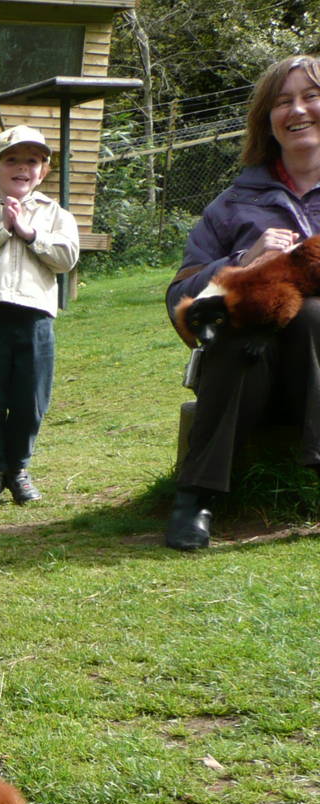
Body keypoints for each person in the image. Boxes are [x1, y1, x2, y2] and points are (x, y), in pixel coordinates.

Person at [165, 54, 320, 551]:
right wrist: (242, 263)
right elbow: (181, 295)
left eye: (311, 96)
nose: (297, 110)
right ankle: (197, 497)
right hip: (250, 374)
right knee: (234, 337)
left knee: (314, 314)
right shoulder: (232, 203)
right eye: (283, 102)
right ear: (267, 121)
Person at [0, 125, 80, 509]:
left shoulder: (56, 215)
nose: (23, 167)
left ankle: (18, 471)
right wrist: (0, 229)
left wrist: (27, 232)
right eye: (12, 159)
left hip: (35, 320)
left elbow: (65, 259)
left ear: (42, 172)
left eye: (33, 161)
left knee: (31, 402)